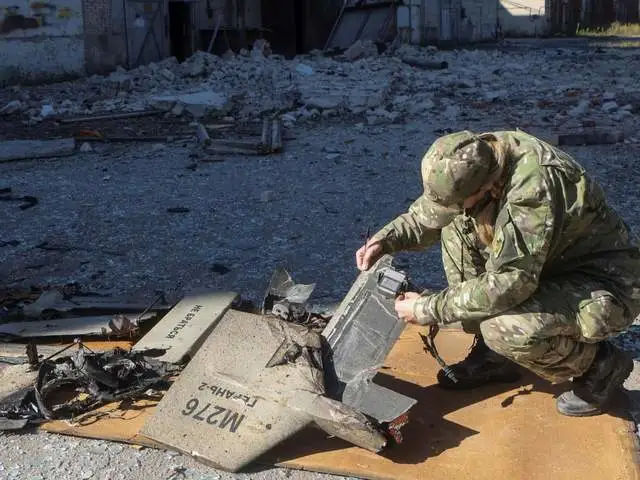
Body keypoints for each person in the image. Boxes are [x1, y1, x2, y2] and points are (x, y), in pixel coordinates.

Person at [355, 129, 640, 417]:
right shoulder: (477, 157)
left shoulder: (532, 192)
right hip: (548, 266)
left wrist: (427, 308)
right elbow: (434, 212)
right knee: (457, 224)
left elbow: (511, 283)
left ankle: (600, 365)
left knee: (502, 328)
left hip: (605, 285)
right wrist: (385, 240)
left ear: (486, 186)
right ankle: (496, 358)